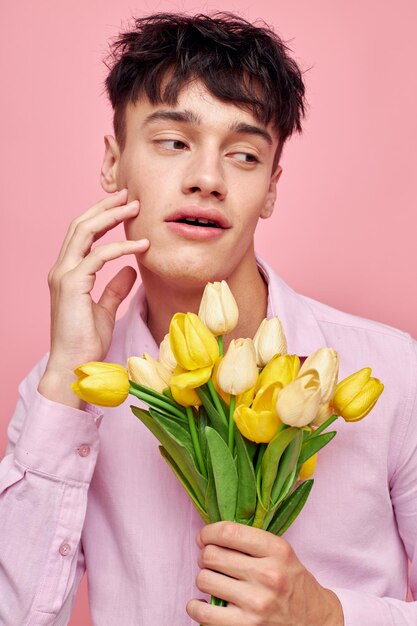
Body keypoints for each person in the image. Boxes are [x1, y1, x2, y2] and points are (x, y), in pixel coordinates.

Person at [1, 12, 416, 626]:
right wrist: (65, 381)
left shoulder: (391, 370)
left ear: (272, 187)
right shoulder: (66, 391)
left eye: (244, 155)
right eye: (173, 142)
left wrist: (328, 616)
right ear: (113, 164)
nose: (206, 180)